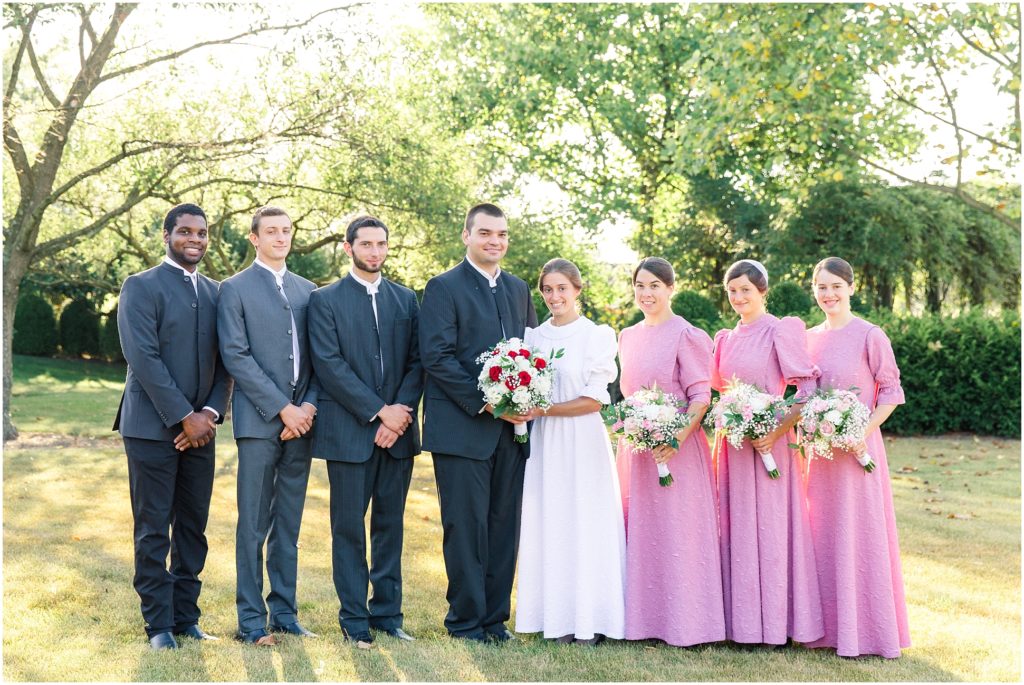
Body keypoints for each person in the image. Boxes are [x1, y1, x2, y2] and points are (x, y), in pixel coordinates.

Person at [113, 202, 231, 650]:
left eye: (201, 233)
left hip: (204, 428)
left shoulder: (219, 293)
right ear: (166, 236)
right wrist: (185, 416)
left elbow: (228, 361)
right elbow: (142, 356)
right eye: (185, 231)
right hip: (149, 427)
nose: (194, 239)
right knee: (152, 527)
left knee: (192, 526)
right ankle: (158, 624)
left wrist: (210, 414)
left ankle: (186, 617)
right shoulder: (140, 286)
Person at [419, 203, 538, 643]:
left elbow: (532, 353)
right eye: (486, 233)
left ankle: (494, 620)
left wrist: (529, 398)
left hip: (512, 431)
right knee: (466, 529)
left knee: (504, 526)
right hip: (462, 429)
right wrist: (489, 404)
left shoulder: (518, 289)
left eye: (502, 234)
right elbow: (437, 357)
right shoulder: (443, 287)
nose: (495, 241)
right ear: (467, 235)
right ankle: (465, 622)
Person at [308, 215, 423, 649]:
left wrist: (398, 416)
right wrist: (378, 413)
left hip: (399, 436)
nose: (375, 251)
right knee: (349, 530)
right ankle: (354, 619)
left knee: (390, 527)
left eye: (381, 244)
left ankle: (388, 616)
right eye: (366, 244)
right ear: (348, 248)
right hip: (349, 434)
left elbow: (418, 361)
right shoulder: (325, 300)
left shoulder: (406, 299)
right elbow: (329, 364)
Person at [217, 206, 319, 647]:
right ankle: (251, 620)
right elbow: (235, 355)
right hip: (259, 422)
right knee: (253, 523)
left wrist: (307, 407)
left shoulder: (309, 291)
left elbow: (320, 356)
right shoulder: (234, 289)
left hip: (303, 424)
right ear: (254, 238)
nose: (281, 237)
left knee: (289, 523)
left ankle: (285, 613)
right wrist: (282, 409)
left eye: (286, 231)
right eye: (271, 231)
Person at [711, 259, 824, 647]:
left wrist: (775, 432)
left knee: (772, 530)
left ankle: (776, 627)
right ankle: (742, 626)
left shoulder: (780, 330)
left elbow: (806, 392)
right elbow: (720, 391)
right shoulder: (724, 339)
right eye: (732, 291)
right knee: (737, 527)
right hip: (734, 445)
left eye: (745, 290)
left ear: (763, 291)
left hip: (771, 445)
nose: (738, 297)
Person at [615, 257, 726, 647]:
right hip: (637, 449)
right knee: (640, 529)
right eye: (640, 286)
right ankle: (643, 621)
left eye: (654, 286)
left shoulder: (687, 334)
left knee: (678, 533)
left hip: (677, 448)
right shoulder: (627, 336)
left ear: (670, 288)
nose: (646, 293)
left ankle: (688, 623)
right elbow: (628, 395)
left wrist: (674, 437)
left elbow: (701, 397)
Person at [803, 257, 910, 658]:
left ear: (851, 287)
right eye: (822, 287)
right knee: (822, 532)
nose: (828, 294)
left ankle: (867, 632)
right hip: (820, 456)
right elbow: (805, 396)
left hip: (858, 451)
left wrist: (858, 432)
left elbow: (890, 393)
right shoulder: (808, 339)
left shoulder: (870, 335)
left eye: (836, 286)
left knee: (860, 534)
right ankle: (825, 630)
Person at [514, 259, 625, 645]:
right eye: (547, 289)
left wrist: (544, 409)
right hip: (545, 443)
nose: (554, 296)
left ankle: (592, 619)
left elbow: (595, 399)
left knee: (585, 522)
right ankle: (555, 618)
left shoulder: (596, 336)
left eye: (562, 288)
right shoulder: (533, 338)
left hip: (582, 440)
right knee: (551, 521)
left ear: (578, 290)